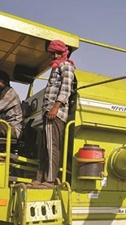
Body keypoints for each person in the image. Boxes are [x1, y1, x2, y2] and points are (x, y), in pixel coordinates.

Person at [30, 39, 75, 189]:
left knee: (51, 146)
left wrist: (55, 108)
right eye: (52, 53)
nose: (55, 56)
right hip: (48, 111)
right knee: (44, 147)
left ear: (63, 52)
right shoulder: (55, 68)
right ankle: (40, 178)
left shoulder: (66, 66)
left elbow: (66, 89)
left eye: (58, 53)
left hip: (55, 112)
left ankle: (50, 179)